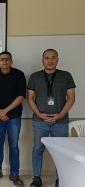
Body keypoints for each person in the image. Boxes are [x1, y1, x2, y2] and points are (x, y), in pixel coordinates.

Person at [27, 49, 76, 187]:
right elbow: (30, 98)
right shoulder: (34, 77)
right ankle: (36, 178)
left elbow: (71, 98)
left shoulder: (66, 75)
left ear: (57, 60)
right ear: (42, 60)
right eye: (47, 58)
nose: (50, 60)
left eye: (53, 58)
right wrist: (39, 114)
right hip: (39, 121)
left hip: (60, 122)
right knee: (37, 149)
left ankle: (60, 178)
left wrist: (60, 115)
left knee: (61, 152)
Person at [0, 51, 26, 187]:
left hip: (14, 116)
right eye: (2, 59)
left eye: (7, 59)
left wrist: (5, 111)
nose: (4, 62)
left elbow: (21, 96)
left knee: (14, 146)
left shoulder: (19, 75)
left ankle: (14, 173)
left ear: (11, 61)